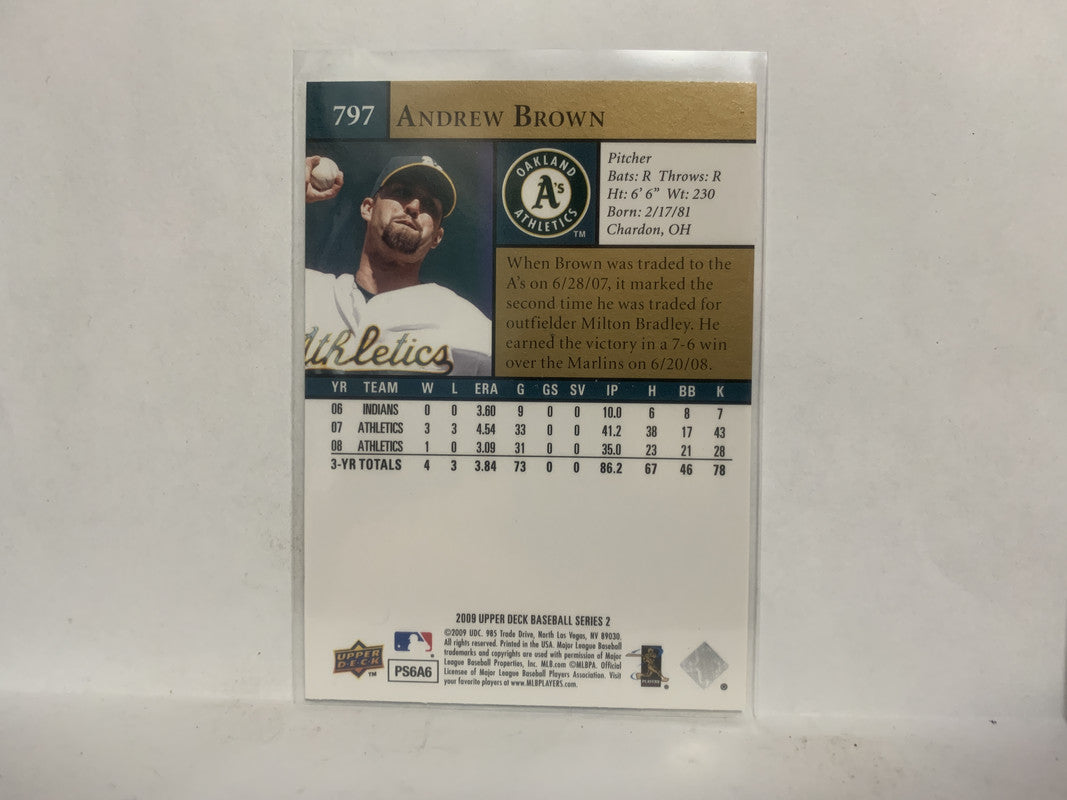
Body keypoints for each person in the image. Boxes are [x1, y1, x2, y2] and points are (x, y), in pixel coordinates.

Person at [304, 154, 491, 376]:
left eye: (429, 206)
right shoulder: (304, 291)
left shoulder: (470, 328)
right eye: (402, 193)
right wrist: (286, 191)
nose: (414, 207)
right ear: (368, 208)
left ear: (437, 237)